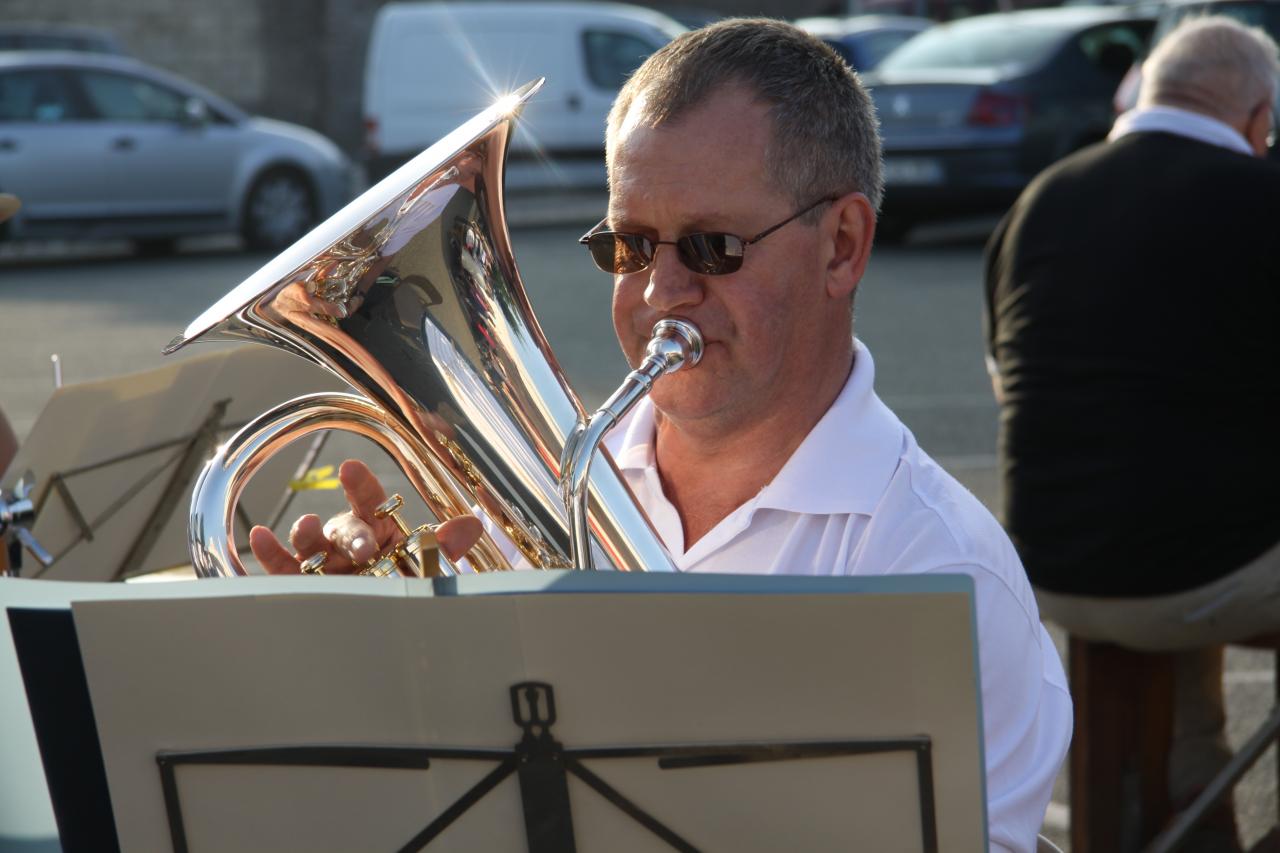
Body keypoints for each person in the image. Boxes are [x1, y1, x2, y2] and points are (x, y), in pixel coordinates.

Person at [253, 19, 1071, 850]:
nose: (659, 294)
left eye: (714, 247)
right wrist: (364, 657)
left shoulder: (939, 571)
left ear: (843, 246)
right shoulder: (517, 505)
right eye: (630, 245)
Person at [984, 16, 1280, 850]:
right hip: (1198, 572)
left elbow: (1010, 382)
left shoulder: (1037, 202)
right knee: (1208, 535)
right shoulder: (1264, 200)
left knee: (1181, 528)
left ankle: (1194, 807)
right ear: (1259, 119)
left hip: (1056, 566)